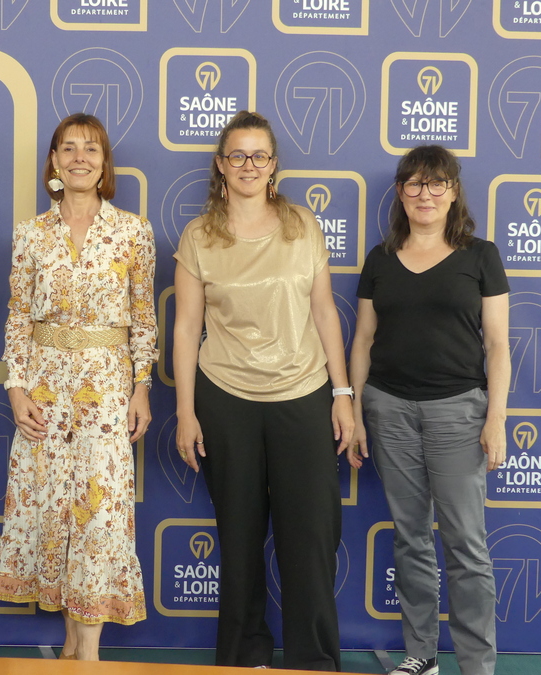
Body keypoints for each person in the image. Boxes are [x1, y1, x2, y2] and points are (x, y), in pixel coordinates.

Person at [172, 111, 353, 671]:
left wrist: (343, 394)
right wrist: (185, 412)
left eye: (259, 155)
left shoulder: (303, 225)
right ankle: (243, 658)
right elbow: (186, 328)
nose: (248, 165)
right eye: (237, 155)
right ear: (221, 165)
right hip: (226, 398)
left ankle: (314, 662)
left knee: (311, 538)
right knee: (240, 539)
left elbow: (325, 311)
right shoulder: (199, 236)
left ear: (273, 165)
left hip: (304, 393)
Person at [0, 113, 157, 661]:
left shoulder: (133, 231)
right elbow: (18, 316)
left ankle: (89, 654)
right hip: (43, 390)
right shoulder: (30, 233)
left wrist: (141, 387)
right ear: (54, 161)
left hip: (106, 390)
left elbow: (143, 318)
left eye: (91, 148)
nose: (79, 157)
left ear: (104, 162)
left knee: (99, 513)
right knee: (52, 510)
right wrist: (16, 390)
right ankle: (70, 646)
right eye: (68, 148)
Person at [348, 145, 510, 675]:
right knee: (411, 539)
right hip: (389, 409)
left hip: (459, 412)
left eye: (437, 183)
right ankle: (422, 655)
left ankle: (477, 665)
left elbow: (498, 346)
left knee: (466, 545)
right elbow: (363, 340)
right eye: (415, 184)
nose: (426, 194)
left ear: (453, 191)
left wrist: (495, 418)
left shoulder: (480, 256)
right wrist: (355, 411)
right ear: (400, 192)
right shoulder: (380, 258)